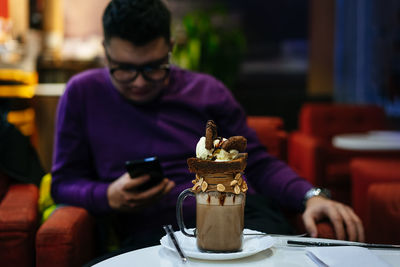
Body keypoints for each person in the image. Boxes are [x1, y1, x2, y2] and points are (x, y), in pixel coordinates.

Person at [51, 0, 364, 259]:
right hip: (155, 232)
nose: (140, 82)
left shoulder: (206, 90)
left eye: (152, 68)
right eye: (124, 70)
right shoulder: (82, 93)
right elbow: (62, 183)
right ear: (106, 51)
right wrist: (107, 196)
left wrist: (310, 195)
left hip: (244, 216)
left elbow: (255, 161)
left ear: (170, 48)